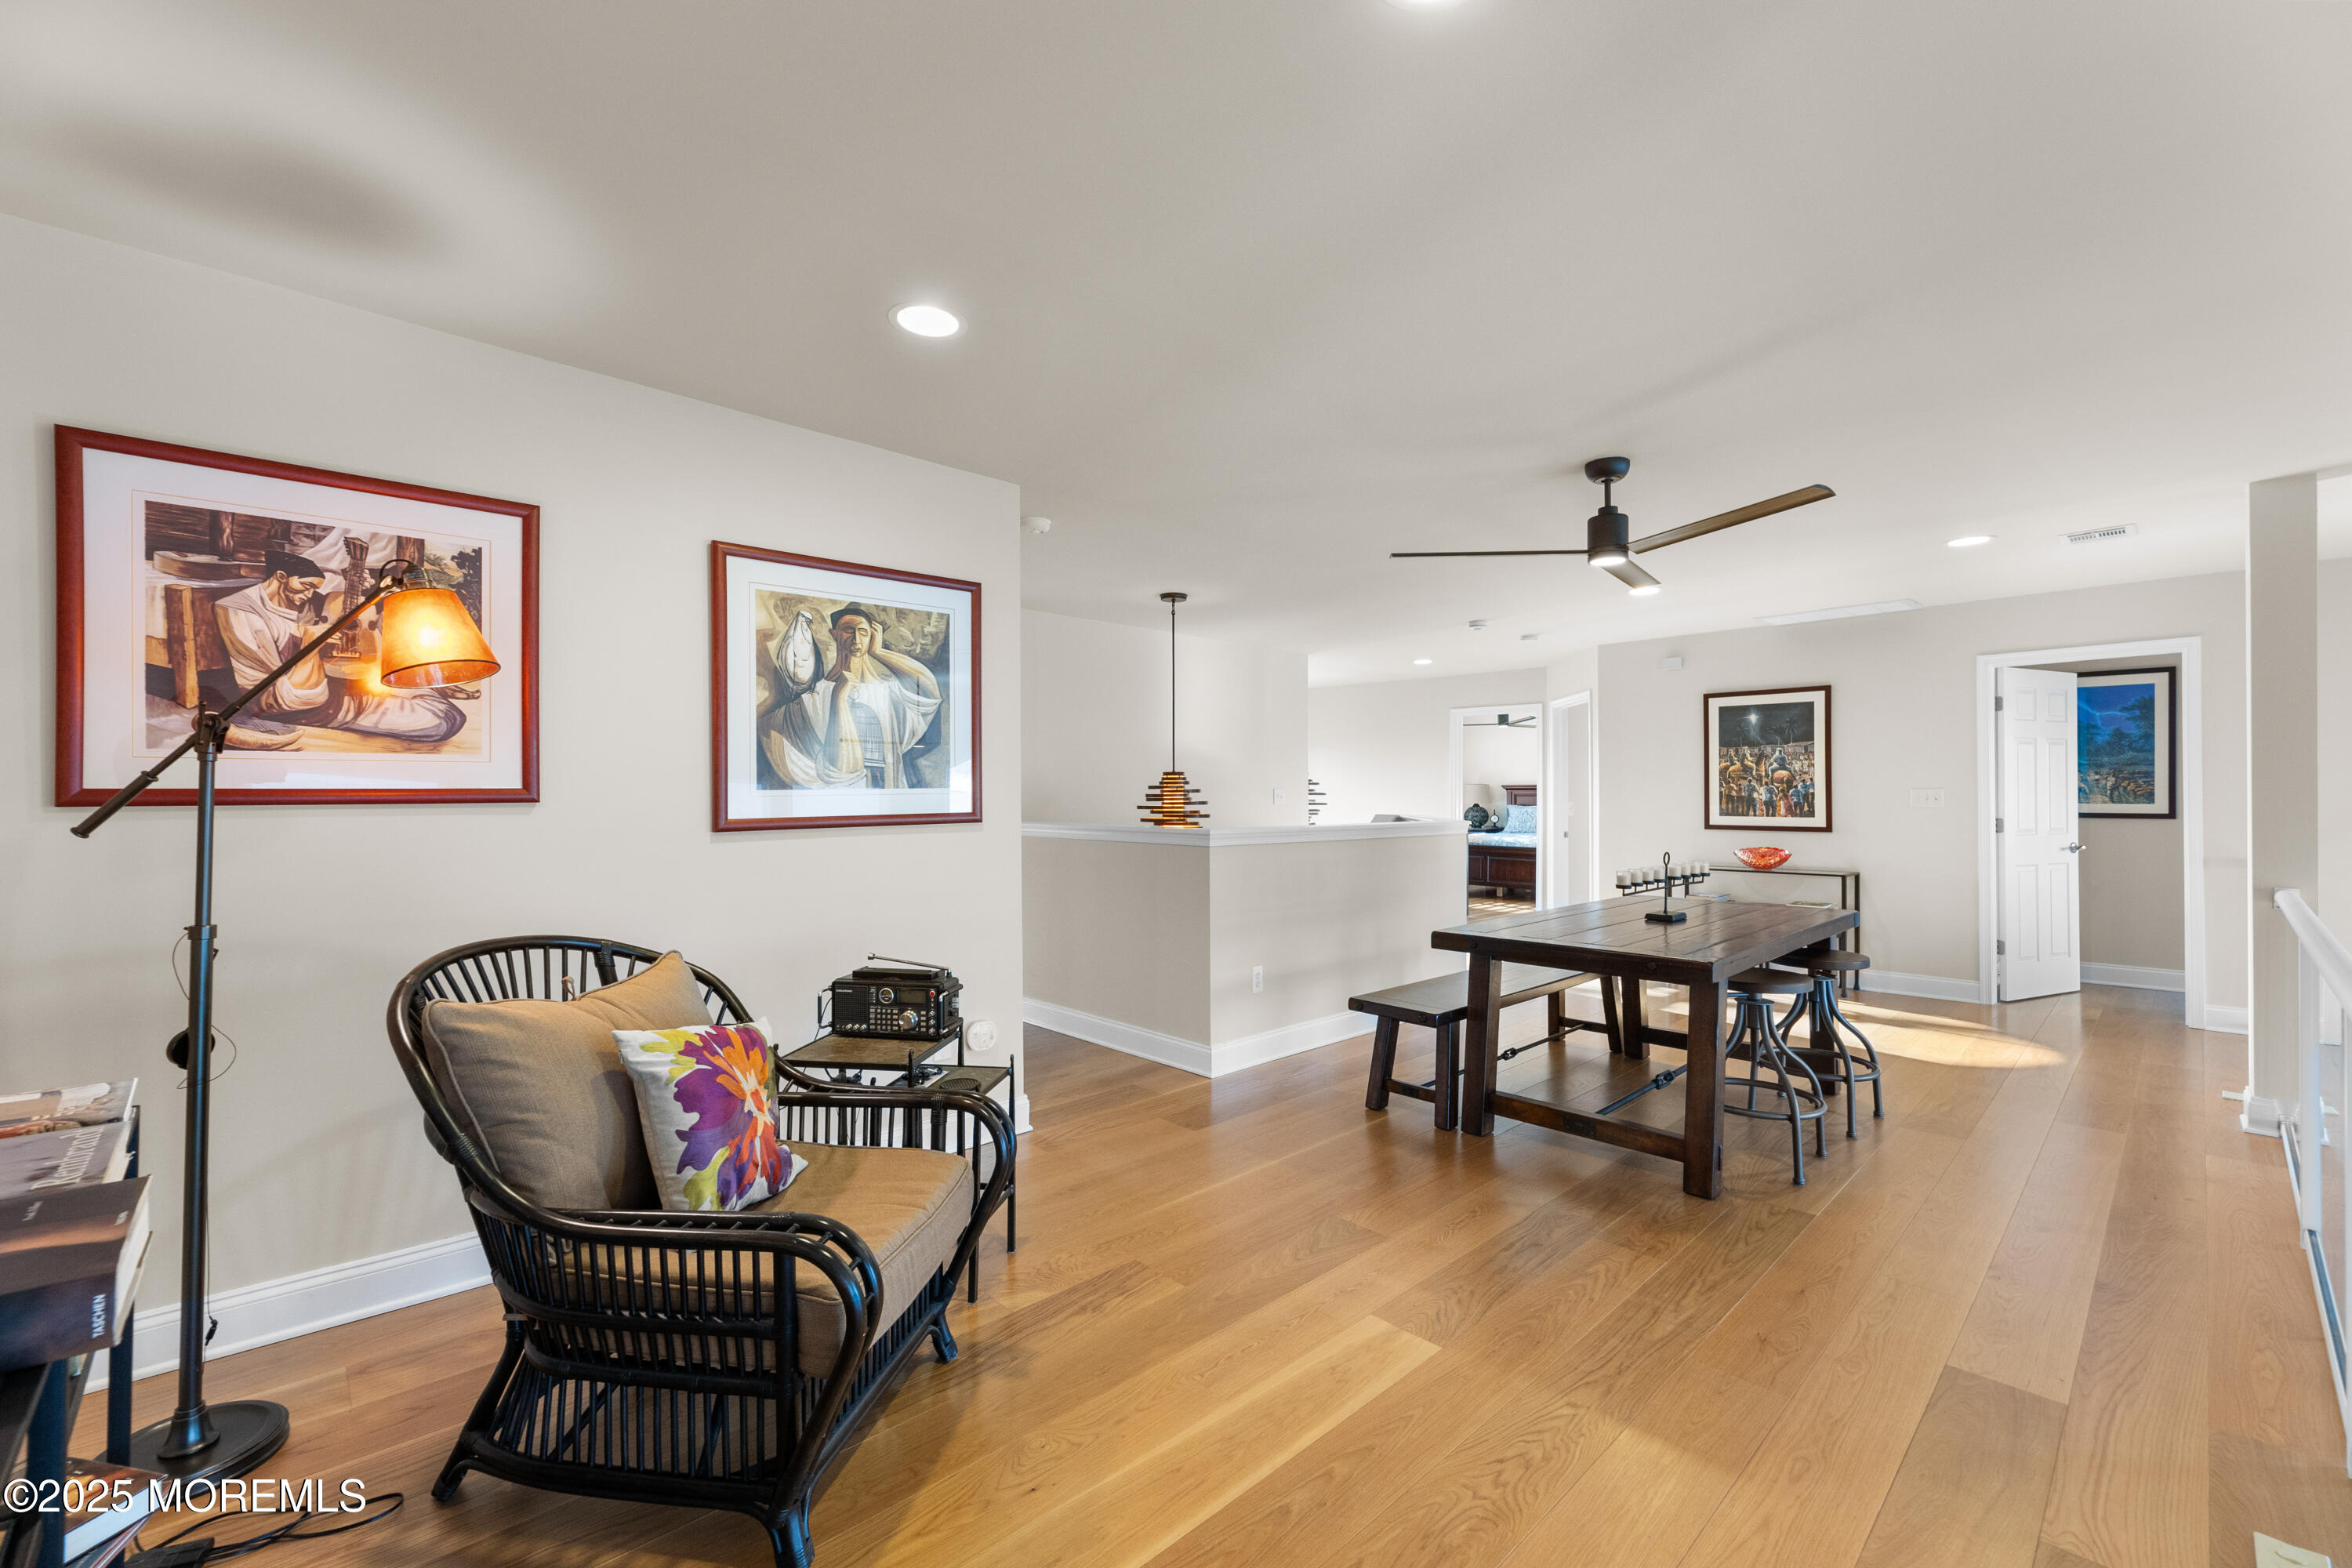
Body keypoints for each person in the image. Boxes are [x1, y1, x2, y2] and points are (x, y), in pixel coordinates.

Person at [210, 550, 467, 746]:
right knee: (441, 721)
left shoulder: (295, 600)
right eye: (307, 586)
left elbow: (340, 610)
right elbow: (275, 697)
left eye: (315, 588)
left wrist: (358, 585)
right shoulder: (240, 611)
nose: (310, 594)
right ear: (280, 577)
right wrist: (312, 642)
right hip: (300, 704)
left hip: (330, 684)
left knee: (428, 697)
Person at [758, 604, 942, 789]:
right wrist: (839, 700)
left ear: (872, 636)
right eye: (848, 630)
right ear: (834, 634)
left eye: (863, 632)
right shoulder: (812, 698)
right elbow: (841, 770)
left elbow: (928, 689)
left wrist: (878, 652)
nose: (856, 638)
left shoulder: (888, 692)